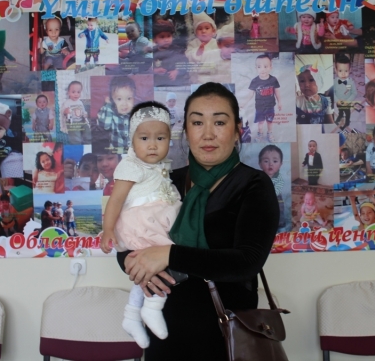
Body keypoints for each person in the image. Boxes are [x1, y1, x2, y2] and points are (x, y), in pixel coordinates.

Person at [116, 82, 279, 360]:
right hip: (165, 334)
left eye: (219, 122)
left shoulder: (253, 184)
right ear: (186, 130)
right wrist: (134, 262)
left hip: (227, 338)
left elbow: (248, 261)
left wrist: (168, 254)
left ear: (237, 130)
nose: (208, 134)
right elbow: (129, 239)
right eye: (197, 122)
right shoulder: (166, 182)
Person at [101, 101, 182, 348]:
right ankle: (153, 307)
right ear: (132, 140)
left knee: (147, 270)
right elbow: (116, 200)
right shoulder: (131, 166)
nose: (153, 145)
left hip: (154, 221)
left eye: (160, 138)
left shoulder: (159, 166)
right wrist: (108, 229)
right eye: (144, 138)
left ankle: (132, 314)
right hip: (143, 224)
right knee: (164, 263)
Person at [97, 75, 136, 153]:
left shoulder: (136, 114)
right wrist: (108, 105)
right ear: (112, 100)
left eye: (129, 98)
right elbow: (105, 126)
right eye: (119, 99)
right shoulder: (110, 113)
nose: (124, 104)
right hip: (116, 151)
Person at [248, 54, 281, 142]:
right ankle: (260, 133)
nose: (262, 69)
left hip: (270, 106)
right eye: (259, 67)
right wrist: (243, 103)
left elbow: (277, 92)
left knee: (270, 121)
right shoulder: (254, 81)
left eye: (265, 66)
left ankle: (269, 133)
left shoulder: (273, 80)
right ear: (256, 68)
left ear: (271, 67)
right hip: (259, 107)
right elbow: (251, 93)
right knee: (261, 122)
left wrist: (280, 102)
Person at [151, 19, 188, 87]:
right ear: (154, 39)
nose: (166, 40)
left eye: (168, 36)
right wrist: (155, 70)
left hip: (176, 84)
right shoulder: (152, 52)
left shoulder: (177, 50)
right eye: (162, 37)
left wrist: (177, 71)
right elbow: (146, 67)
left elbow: (185, 63)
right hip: (158, 85)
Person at [258, 144, 285, 231]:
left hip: (276, 198)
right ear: (260, 164)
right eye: (266, 161)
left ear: (280, 164)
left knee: (279, 210)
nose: (270, 164)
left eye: (275, 161)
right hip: (262, 198)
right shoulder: (259, 176)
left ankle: (279, 223)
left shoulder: (279, 178)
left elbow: (279, 187)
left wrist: (271, 194)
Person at [333, 54, 356, 129]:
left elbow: (354, 93)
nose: (343, 73)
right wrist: (337, 100)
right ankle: (340, 116)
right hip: (339, 102)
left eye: (346, 71)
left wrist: (347, 101)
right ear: (336, 70)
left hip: (347, 103)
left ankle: (347, 121)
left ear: (350, 70)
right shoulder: (334, 82)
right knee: (340, 111)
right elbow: (333, 92)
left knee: (347, 113)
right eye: (340, 71)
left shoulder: (351, 82)